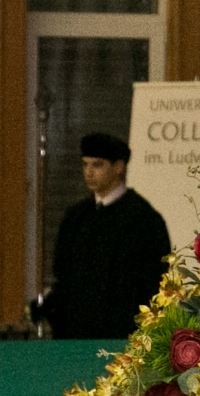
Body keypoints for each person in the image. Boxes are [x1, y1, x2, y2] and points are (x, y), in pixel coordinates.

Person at [37, 133, 172, 341]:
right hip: (75, 336)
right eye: (85, 164)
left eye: (97, 165)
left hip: (122, 336)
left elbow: (154, 284)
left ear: (119, 167)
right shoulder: (76, 217)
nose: (89, 172)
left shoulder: (143, 219)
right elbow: (63, 275)